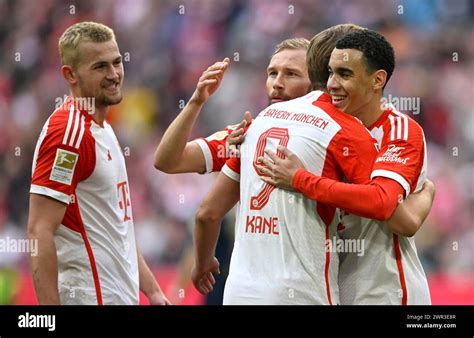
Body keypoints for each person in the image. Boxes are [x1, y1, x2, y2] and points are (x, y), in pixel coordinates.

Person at [191, 24, 434, 304]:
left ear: (375, 80)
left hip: (382, 289)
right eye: (329, 72)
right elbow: (173, 164)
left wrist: (301, 180)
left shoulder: (398, 130)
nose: (332, 84)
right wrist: (196, 103)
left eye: (344, 73)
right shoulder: (299, 128)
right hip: (327, 286)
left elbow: (399, 217)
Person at [153, 38, 312, 303]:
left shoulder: (334, 136)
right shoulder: (246, 136)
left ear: (316, 83)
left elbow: (207, 214)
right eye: (272, 73)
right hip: (255, 290)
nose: (277, 83)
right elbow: (168, 161)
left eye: (292, 74)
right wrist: (195, 102)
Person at [27, 21, 169, 305]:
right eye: (100, 66)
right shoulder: (67, 133)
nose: (114, 74)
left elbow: (118, 227)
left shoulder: (103, 126)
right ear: (70, 74)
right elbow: (38, 230)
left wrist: (153, 291)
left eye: (117, 62)